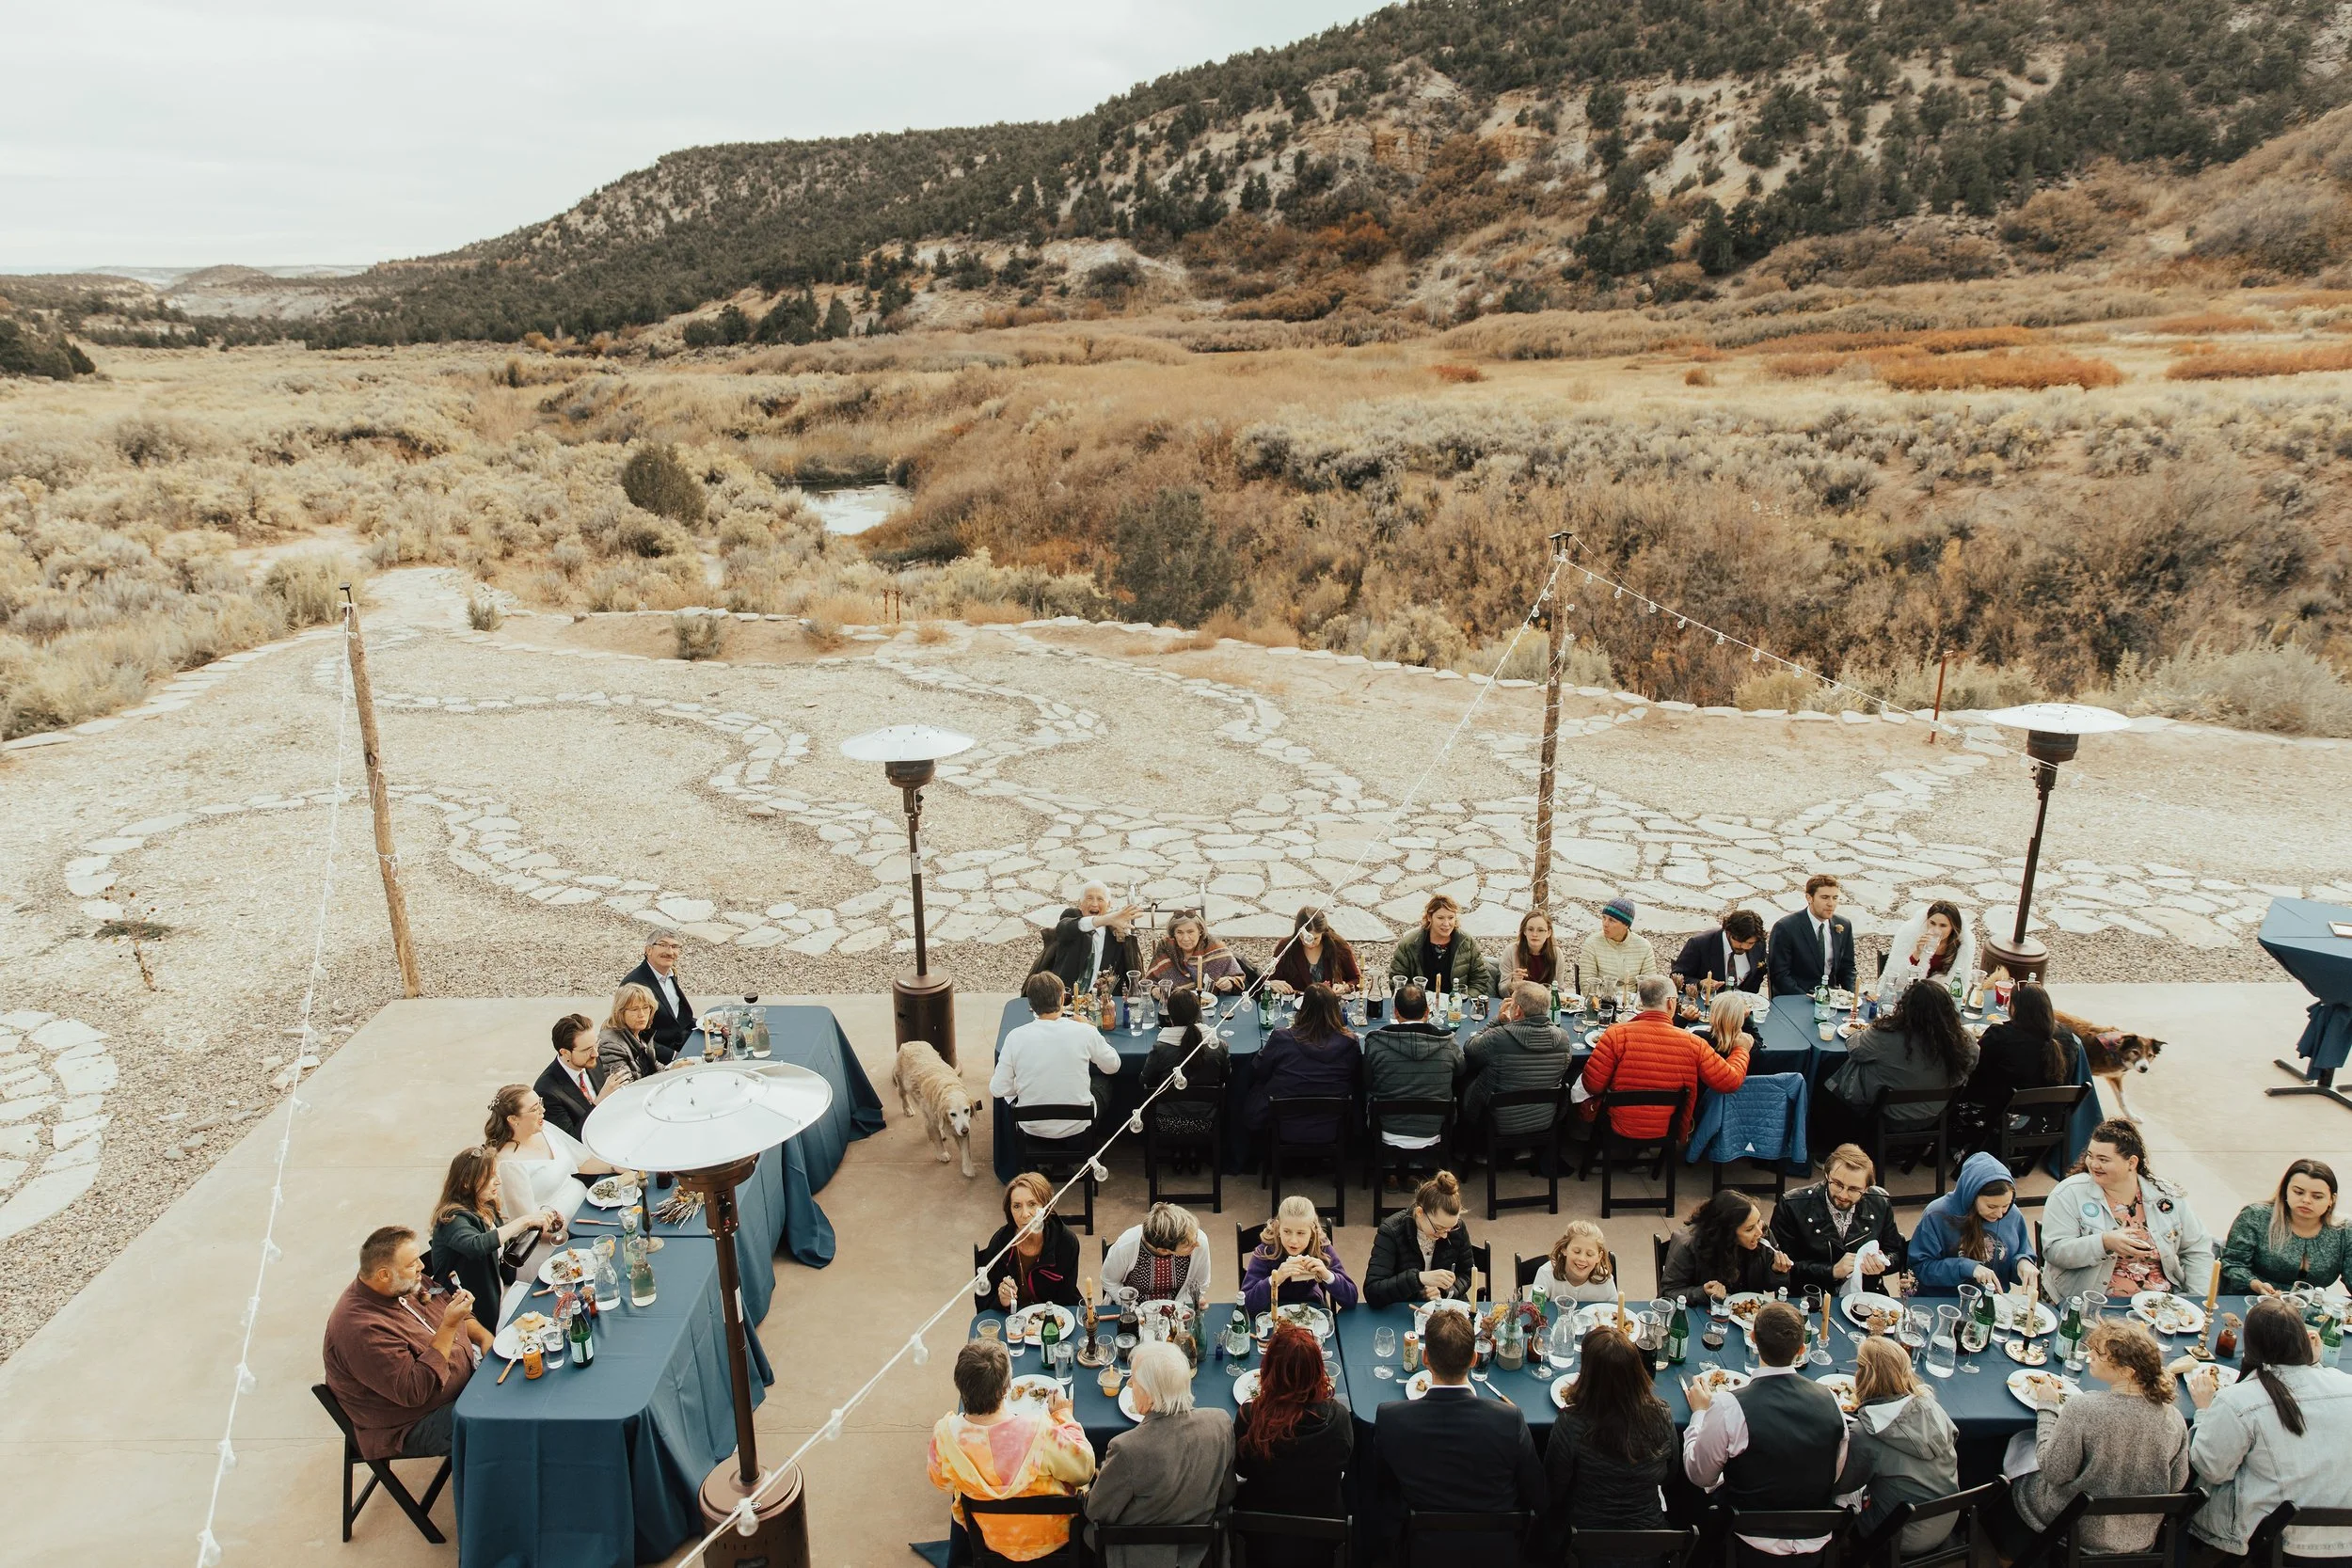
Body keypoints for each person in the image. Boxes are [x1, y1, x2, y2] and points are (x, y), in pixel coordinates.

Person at [1374, 1307, 1545, 1567]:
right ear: (1474, 1358)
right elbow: (1538, 1496)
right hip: (1496, 1554)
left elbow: (1379, 1495)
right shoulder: (1510, 1420)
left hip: (1425, 1553)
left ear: (1426, 1357)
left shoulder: (1390, 1419)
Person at [2187, 1297, 2352, 1561]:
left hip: (2279, 1542)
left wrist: (2205, 1411)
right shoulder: (2346, 1384)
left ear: (2250, 1345)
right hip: (2344, 1540)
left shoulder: (2239, 1401)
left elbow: (2210, 1469)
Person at [1684, 1302, 1850, 1562]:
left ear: (1752, 1338)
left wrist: (1699, 1414)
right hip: (1813, 1546)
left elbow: (1699, 1475)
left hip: (1745, 1543)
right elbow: (1833, 1473)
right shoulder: (1830, 1400)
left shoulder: (1729, 1405)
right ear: (1801, 1350)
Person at [2005, 1320, 2188, 1556]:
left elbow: (2054, 1471)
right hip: (2136, 1536)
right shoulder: (2174, 1418)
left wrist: (2047, 1406)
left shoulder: (2084, 1407)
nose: (2089, 1355)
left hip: (2074, 1526)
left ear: (2127, 1370)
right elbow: (2177, 1483)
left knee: (2019, 1457)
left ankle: (2004, 1548)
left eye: (2098, 1353)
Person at [322, 1226, 489, 1462]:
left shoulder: (405, 1281)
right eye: (412, 1264)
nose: (421, 1267)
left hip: (464, 1381)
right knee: (502, 1422)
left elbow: (447, 1303)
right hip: (412, 1424)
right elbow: (415, 1391)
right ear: (383, 1274)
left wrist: (483, 1337)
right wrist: (449, 1326)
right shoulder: (362, 1330)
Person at [929, 1338, 1095, 1565]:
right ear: (1006, 1387)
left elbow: (942, 1483)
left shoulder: (945, 1436)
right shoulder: (1040, 1433)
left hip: (992, 1537)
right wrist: (1063, 1415)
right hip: (1052, 1537)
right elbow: (1084, 1470)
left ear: (959, 1385)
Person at [1086, 1339, 1234, 1568]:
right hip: (1200, 1552)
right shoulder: (1221, 1423)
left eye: (1134, 1380)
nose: (1129, 1385)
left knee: (1084, 1530)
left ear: (1151, 1395)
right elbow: (1226, 1494)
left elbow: (1096, 1513)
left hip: (1140, 1556)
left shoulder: (1126, 1449)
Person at [2040, 1117, 2216, 1304]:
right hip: (2092, 1301)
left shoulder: (2166, 1196)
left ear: (2131, 1163)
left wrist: (2196, 1300)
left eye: (2103, 1159)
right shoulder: (2068, 1193)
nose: (2093, 1164)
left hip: (2159, 1303)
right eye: (2091, 1156)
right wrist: (2104, 1243)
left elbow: (2197, 1248)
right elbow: (2054, 1251)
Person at [1547, 1325, 1673, 1563]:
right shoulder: (1663, 1414)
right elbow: (1671, 1475)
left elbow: (1554, 1488)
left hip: (1586, 1545)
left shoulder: (1572, 1422)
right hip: (1649, 1545)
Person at [1232, 1323, 1353, 1568]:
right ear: (1317, 1371)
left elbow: (1241, 1469)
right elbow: (1346, 1462)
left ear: (1269, 1371)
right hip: (1322, 1536)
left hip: (1260, 1537)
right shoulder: (1338, 1418)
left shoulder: (1249, 1416)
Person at [1579, 974, 1751, 1143]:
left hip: (1616, 1121)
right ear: (1671, 1002)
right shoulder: (1693, 1043)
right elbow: (1729, 1081)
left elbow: (1592, 1086)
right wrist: (1741, 1050)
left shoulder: (1615, 1035)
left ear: (1642, 1001)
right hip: (1667, 1127)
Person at [1812, 980, 1977, 1153]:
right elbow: (1972, 1062)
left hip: (1888, 1116)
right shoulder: (1964, 1041)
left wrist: (1868, 1030)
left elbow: (1855, 1049)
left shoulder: (1888, 1035)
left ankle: (1823, 1147)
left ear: (1906, 1007)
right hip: (1931, 1117)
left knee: (1828, 1074)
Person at [1842, 1337, 1962, 1557]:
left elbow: (1844, 1484)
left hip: (1898, 1535)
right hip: (1946, 1519)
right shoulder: (1931, 1406)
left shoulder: (1866, 1434)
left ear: (1862, 1376)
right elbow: (1953, 1438)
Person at [427, 1147, 561, 1329]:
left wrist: (538, 1227)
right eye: (490, 1177)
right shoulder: (452, 1219)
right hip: (473, 1314)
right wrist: (526, 1220)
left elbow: (503, 1249)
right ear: (467, 1182)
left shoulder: (485, 1207)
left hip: (500, 1294)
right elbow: (477, 1245)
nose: (498, 1181)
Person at [992, 972, 1121, 1140]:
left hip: (1031, 1126)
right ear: (1062, 999)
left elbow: (998, 1089)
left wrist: (1024, 1083)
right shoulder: (1084, 1031)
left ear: (1031, 1003)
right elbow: (1113, 1066)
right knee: (1103, 1082)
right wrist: (1092, 1029)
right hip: (1078, 1125)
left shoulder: (1014, 1037)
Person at [1771, 1145, 1909, 1294]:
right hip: (1809, 1294)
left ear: (1867, 1188)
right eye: (1837, 1184)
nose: (1843, 1195)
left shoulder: (1880, 1202)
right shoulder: (1791, 1204)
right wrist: (1832, 1271)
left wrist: (1883, 1264)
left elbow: (1896, 1252)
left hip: (1863, 1294)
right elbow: (1779, 1264)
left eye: (1853, 1189)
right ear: (1827, 1175)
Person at [1955, 981, 2073, 1150]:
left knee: (1953, 1095)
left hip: (2000, 1119)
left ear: (2015, 1008)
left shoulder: (2000, 1037)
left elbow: (1974, 1076)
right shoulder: (2065, 1040)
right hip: (2045, 1123)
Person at [485, 1083, 618, 1227]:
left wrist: (615, 1167)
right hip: (560, 1232)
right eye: (534, 1109)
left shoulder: (544, 1129)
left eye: (540, 1103)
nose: (542, 1110)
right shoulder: (509, 1164)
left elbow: (581, 1162)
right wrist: (570, 1231)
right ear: (513, 1119)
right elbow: (528, 1222)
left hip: (590, 1207)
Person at [1909, 1151, 2041, 1291]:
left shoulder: (2012, 1214)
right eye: (1991, 1206)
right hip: (1945, 1302)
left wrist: (2022, 1262)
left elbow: (2021, 1251)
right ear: (1972, 1195)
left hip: (1992, 1302)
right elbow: (1920, 1267)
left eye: (2006, 1205)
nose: (2000, 1214)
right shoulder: (1937, 1214)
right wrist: (1967, 1268)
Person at [2220, 1158, 2352, 1295]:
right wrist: (2254, 1283)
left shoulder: (2345, 1231)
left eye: (2317, 1197)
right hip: (2252, 1297)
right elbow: (2233, 1263)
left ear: (2332, 1199)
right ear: (2285, 1191)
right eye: (2299, 1192)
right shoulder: (2255, 1216)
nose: (2306, 1200)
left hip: (2313, 1309)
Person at [1462, 980, 1574, 1141]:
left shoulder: (1499, 1037)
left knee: (1463, 1080)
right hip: (1544, 1118)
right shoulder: (1563, 1038)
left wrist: (1497, 1021)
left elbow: (1470, 1049)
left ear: (1518, 1011)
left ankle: (1467, 1144)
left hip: (1500, 1120)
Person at [1248, 984, 1357, 1145]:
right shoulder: (1349, 1042)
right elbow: (1354, 1076)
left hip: (1284, 1122)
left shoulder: (1281, 1038)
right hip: (1331, 1123)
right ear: (1335, 1010)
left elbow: (1259, 1070)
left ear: (1303, 1009)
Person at [1362, 982, 1461, 1159]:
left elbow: (1367, 1080)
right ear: (1427, 1012)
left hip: (1387, 1128)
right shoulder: (1448, 1044)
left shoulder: (1376, 1044)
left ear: (1396, 1013)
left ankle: (1389, 1166)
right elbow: (1462, 1070)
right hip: (1433, 1128)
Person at [1141, 987, 1227, 1174]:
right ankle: (1193, 1151)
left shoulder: (1161, 1048)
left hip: (1166, 1122)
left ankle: (1178, 1151)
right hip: (1207, 1121)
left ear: (1170, 1017)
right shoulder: (1218, 1045)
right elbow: (1226, 1077)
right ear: (1199, 1013)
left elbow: (1144, 1080)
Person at [1364, 1170, 1477, 1306]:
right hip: (1403, 1309)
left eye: (1450, 1228)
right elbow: (1373, 1292)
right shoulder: (1391, 1231)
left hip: (1445, 1309)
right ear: (1419, 1212)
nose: (1445, 1235)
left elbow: (1468, 1273)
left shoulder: (1457, 1228)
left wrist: (1445, 1291)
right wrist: (1418, 1278)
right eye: (1438, 1228)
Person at [977, 1171, 1083, 1311]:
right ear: (1009, 1210)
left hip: (1055, 1318)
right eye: (1017, 1206)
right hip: (1014, 1322)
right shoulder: (1000, 1244)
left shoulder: (1066, 1242)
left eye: (1032, 1204)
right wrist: (1003, 1301)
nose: (1025, 1214)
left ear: (1046, 1207)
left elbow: (1067, 1296)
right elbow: (983, 1304)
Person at [1661, 1190, 1792, 1301]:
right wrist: (1703, 1293)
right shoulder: (1688, 1244)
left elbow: (1771, 1286)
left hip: (1747, 1315)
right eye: (1749, 1229)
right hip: (1705, 1315)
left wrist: (1776, 1271)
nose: (1759, 1232)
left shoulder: (1762, 1234)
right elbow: (1668, 1293)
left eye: (1758, 1221)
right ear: (1727, 1233)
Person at [1241, 1195, 1359, 1315]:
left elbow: (1351, 1300)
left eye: (1301, 1233)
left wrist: (1327, 1275)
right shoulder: (1265, 1252)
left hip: (1313, 1313)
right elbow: (1246, 1306)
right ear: (1278, 1227)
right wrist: (1275, 1280)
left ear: (1312, 1232)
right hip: (1271, 1314)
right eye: (1287, 1231)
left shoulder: (1322, 1249)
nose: (1293, 1241)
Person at [1102, 1202, 1213, 1311]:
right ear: (1164, 1250)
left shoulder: (1198, 1240)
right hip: (1134, 1309)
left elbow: (1200, 1284)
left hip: (1178, 1309)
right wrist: (1133, 1310)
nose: (1197, 1244)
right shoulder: (1126, 1246)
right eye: (1188, 1245)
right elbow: (1110, 1281)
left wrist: (1178, 1310)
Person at [1038, 880, 1144, 993]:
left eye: (1100, 899)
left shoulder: (1115, 936)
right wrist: (1107, 919)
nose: (1094, 904)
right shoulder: (1071, 918)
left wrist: (1109, 986)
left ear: (1108, 905)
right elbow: (1065, 928)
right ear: (1080, 904)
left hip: (1098, 1002)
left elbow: (1125, 977)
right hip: (1064, 997)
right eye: (1089, 898)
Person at [1388, 893, 1492, 998]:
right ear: (1429, 917)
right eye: (1441, 918)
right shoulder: (1409, 944)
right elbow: (1397, 981)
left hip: (1456, 1008)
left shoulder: (1467, 942)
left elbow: (1480, 979)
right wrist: (1415, 1002)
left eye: (1451, 918)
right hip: (1419, 1007)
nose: (1446, 924)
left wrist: (1462, 1000)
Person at [1768, 876, 1855, 999]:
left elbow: (1848, 967)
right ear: (1809, 898)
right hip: (1796, 998)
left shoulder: (1844, 925)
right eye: (1824, 897)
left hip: (1831, 997)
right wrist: (1808, 998)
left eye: (1835, 898)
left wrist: (1851, 996)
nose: (1831, 904)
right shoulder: (1786, 928)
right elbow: (1780, 975)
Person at [620, 929, 694, 1061]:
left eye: (675, 947)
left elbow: (677, 1017)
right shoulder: (634, 985)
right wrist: (674, 1057)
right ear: (648, 950)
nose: (670, 952)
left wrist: (706, 1025)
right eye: (663, 945)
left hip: (685, 1042)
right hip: (660, 1057)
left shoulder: (670, 974)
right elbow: (632, 1036)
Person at [1878, 901, 1976, 1000]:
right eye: (1932, 923)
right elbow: (1898, 980)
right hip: (1911, 994)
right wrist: (1917, 953)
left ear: (1953, 928)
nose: (1936, 929)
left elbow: (1960, 982)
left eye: (1943, 925)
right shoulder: (1912, 935)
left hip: (1939, 997)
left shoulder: (1961, 945)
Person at [532, 1012, 604, 1140]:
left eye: (595, 1044)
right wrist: (599, 1102)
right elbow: (570, 1140)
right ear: (565, 1053)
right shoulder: (547, 1090)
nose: (595, 1053)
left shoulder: (593, 1060)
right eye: (587, 1049)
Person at [1148, 910, 1248, 995]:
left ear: (1200, 931)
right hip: (1175, 1007)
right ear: (1173, 933)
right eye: (1179, 932)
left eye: (1190, 932)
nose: (1185, 938)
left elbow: (1238, 978)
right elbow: (1149, 982)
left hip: (1212, 1005)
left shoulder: (1216, 948)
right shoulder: (1166, 947)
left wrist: (1230, 983)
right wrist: (1154, 990)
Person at [1267, 907, 1362, 996]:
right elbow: (1266, 980)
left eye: (1315, 938)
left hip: (1330, 1006)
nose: (1309, 944)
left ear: (1323, 932)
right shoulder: (1285, 947)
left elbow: (1357, 980)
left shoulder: (1339, 946)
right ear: (1298, 932)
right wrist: (1272, 984)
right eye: (1302, 937)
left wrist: (1345, 987)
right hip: (1298, 1006)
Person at [1673, 909, 1769, 995]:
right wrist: (1700, 983)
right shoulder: (1700, 944)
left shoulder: (1758, 945)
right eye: (1740, 941)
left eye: (1750, 943)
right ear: (1728, 932)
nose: (1744, 947)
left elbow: (1757, 976)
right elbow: (1677, 977)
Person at [1579, 896, 1656, 996]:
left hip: (1632, 1004)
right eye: (1604, 918)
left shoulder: (1644, 946)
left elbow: (1650, 985)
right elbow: (1587, 984)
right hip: (1602, 1003)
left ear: (1626, 925)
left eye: (1612, 920)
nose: (1605, 924)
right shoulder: (1592, 943)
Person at [596, 983, 668, 1089]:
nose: (642, 1014)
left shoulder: (640, 1034)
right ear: (620, 1012)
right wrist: (668, 1074)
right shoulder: (610, 1045)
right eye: (635, 1009)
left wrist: (675, 1068)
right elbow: (627, 1088)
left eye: (645, 1007)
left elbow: (656, 1067)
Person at [1532, 1219, 1619, 1304]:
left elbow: (1615, 1312)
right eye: (1576, 1251)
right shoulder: (1546, 1273)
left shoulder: (1606, 1280)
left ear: (1599, 1257)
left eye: (1589, 1254)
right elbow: (1533, 1310)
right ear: (1564, 1249)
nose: (1582, 1259)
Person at [1504, 910, 1564, 989]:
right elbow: (1502, 990)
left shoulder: (1556, 953)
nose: (1535, 934)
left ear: (1548, 933)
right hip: (1519, 1000)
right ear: (1524, 931)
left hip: (1547, 999)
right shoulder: (1511, 951)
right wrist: (1513, 983)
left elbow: (1559, 989)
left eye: (1540, 930)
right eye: (1530, 929)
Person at [1693, 990, 1757, 1058]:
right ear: (1740, 1020)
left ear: (1713, 1017)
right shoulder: (1745, 1044)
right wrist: (1747, 1019)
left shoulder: (1699, 1037)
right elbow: (1759, 1042)